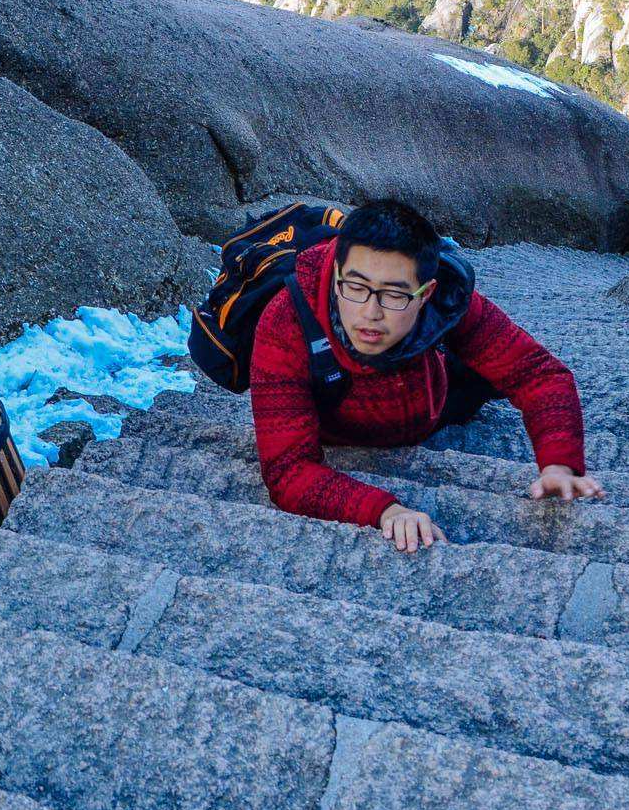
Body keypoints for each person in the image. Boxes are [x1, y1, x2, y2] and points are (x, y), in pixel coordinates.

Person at [248, 198, 605, 551]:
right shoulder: (287, 321)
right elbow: (287, 469)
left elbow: (537, 372)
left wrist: (559, 462)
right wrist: (383, 510)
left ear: (426, 293)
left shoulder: (448, 299)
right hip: (345, 417)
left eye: (394, 295)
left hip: (434, 396)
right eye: (355, 287)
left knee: (488, 370)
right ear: (338, 273)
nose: (370, 313)